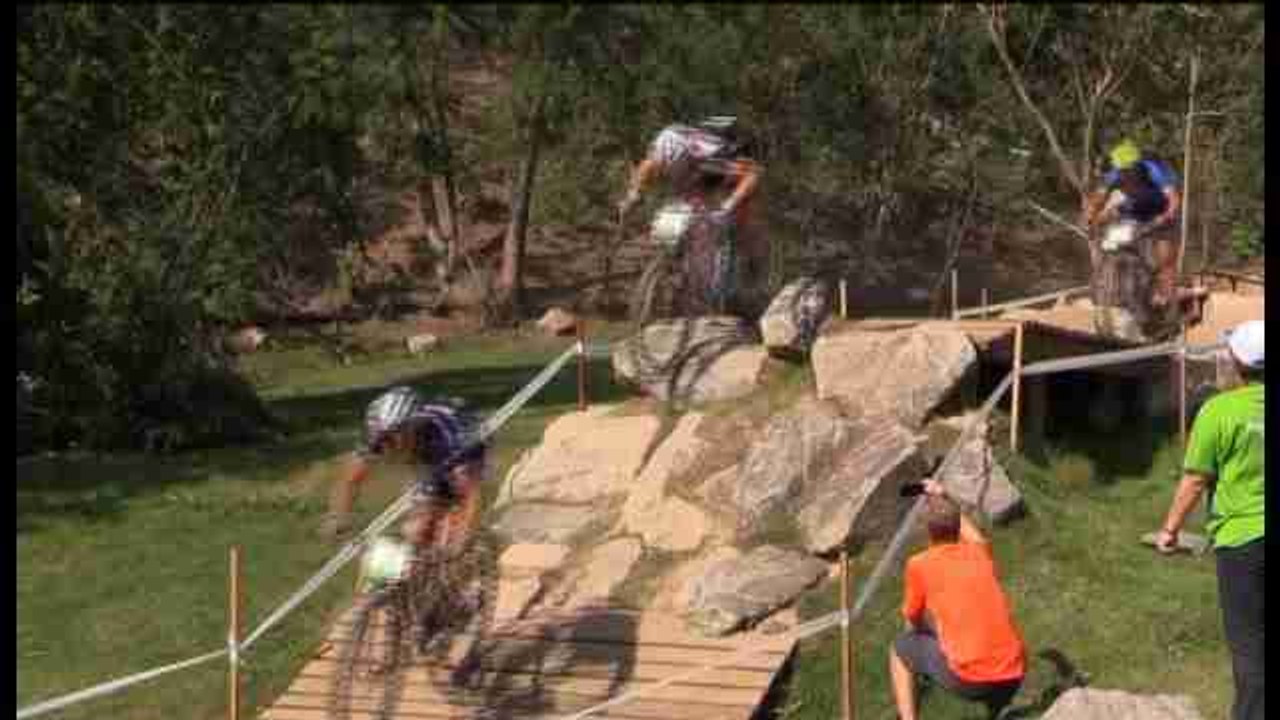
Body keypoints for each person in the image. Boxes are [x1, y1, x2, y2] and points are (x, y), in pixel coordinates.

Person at [1157, 319, 1264, 720]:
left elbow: (1196, 478)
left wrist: (1170, 530)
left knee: (1249, 646)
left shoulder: (1218, 410)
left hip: (1243, 543)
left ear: (1237, 362)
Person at [890, 479, 1026, 720]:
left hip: (972, 681)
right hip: (1015, 672)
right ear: (957, 527)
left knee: (900, 648)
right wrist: (943, 496)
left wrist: (926, 634)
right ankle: (998, 711)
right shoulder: (979, 549)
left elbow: (911, 616)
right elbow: (968, 529)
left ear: (927, 530)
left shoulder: (919, 564)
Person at [618, 116, 768, 318]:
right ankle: (682, 271)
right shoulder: (670, 144)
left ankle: (747, 269)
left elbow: (753, 175)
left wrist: (727, 207)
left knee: (730, 217)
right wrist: (633, 195)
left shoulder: (717, 155)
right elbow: (648, 166)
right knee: (684, 214)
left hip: (731, 170)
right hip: (702, 168)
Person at [321, 386, 488, 551]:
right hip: (425, 453)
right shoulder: (380, 435)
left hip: (462, 448)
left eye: (390, 439)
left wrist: (460, 543)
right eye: (380, 439)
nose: (384, 446)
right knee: (415, 531)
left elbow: (472, 496)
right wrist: (337, 516)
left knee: (446, 529)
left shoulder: (447, 441)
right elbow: (350, 479)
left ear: (411, 427)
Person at [1084, 139, 1183, 308]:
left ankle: (1166, 296)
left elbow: (1174, 199)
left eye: (1128, 171)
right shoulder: (1115, 173)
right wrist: (1091, 217)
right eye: (1121, 172)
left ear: (1137, 165)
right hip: (1132, 211)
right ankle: (1103, 282)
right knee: (1107, 236)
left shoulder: (1156, 170)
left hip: (1159, 210)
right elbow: (1099, 197)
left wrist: (1166, 216)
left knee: (1164, 256)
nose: (1124, 175)